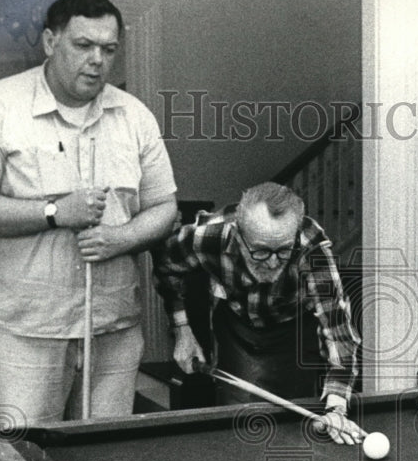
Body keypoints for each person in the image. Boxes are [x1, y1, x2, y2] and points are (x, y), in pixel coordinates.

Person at [0, 0, 178, 423]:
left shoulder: (136, 116)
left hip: (113, 327)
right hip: (22, 329)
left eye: (108, 49)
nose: (97, 60)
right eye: (83, 45)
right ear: (51, 42)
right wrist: (52, 212)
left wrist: (122, 237)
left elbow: (165, 206)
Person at [152, 181, 363, 445]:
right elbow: (166, 266)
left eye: (284, 250)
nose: (274, 262)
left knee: (294, 430)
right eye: (261, 251)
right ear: (239, 235)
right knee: (241, 426)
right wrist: (182, 329)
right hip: (237, 328)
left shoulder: (312, 248)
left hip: (294, 331)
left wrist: (336, 408)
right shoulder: (209, 235)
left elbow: (338, 332)